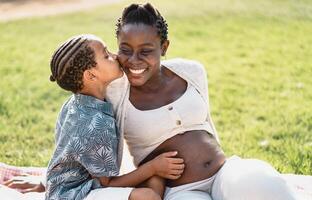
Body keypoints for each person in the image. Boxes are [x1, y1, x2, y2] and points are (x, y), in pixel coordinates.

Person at [1, 3, 303, 200]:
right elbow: (77, 141)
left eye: (146, 50)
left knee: (265, 186)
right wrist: (51, 181)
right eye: (123, 49)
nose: (133, 60)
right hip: (180, 191)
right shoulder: (112, 92)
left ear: (164, 47)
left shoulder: (192, 71)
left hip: (224, 171)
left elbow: (207, 128)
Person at [35, 34, 186, 200]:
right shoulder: (96, 122)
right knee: (148, 195)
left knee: (155, 180)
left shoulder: (75, 103)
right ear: (91, 76)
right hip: (74, 195)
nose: (115, 56)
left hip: (73, 185)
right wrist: (153, 167)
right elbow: (108, 183)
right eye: (106, 55)